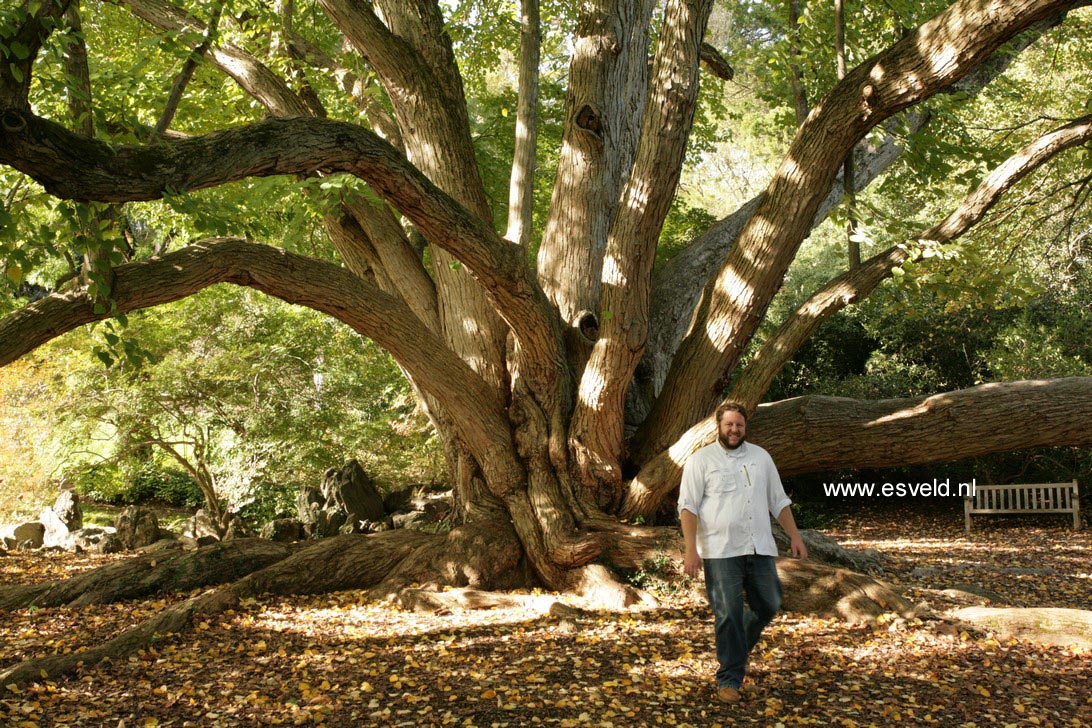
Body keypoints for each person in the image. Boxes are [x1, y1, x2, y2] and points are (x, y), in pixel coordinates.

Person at [678, 402, 808, 705]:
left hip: (759, 546)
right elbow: (688, 507)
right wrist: (690, 550)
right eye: (729, 425)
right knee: (728, 614)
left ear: (745, 427)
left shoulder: (761, 457)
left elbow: (778, 500)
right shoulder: (701, 461)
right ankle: (729, 678)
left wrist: (795, 536)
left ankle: (734, 650)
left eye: (739, 425)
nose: (734, 430)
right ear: (718, 426)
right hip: (721, 551)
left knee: (770, 603)